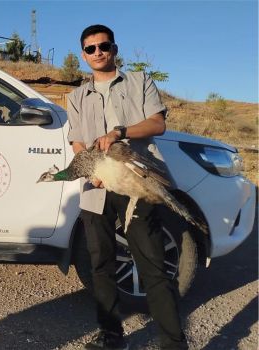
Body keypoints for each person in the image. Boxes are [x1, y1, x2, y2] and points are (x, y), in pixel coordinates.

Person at [66, 24, 189, 350]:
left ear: (114, 48)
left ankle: (174, 343)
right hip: (97, 188)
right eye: (90, 49)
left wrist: (119, 132)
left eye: (103, 46)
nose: (97, 53)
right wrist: (92, 169)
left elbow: (157, 123)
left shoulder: (139, 81)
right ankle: (111, 338)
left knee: (152, 264)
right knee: (101, 265)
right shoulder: (76, 96)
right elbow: (77, 141)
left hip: (136, 182)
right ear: (83, 55)